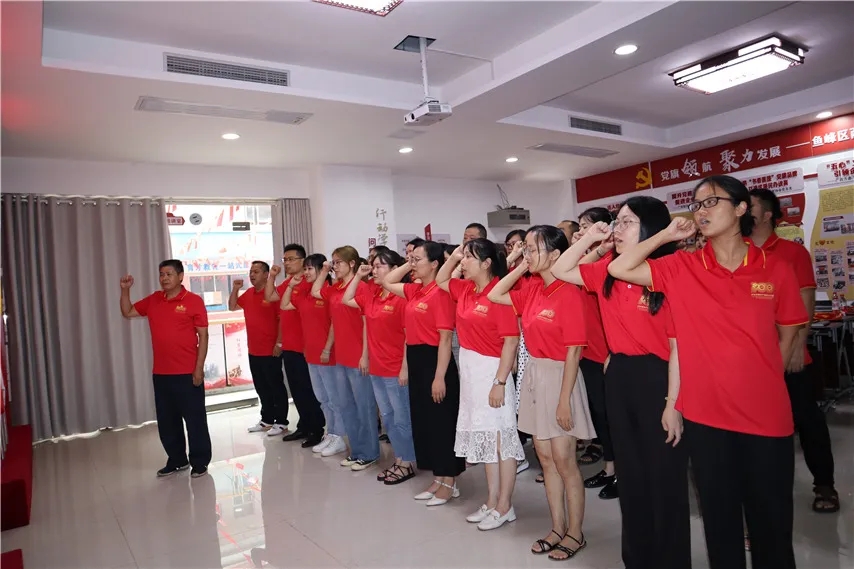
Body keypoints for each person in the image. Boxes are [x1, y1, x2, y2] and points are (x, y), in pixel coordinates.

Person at [608, 175, 808, 569]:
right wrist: (666, 234)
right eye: (697, 204)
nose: (701, 211)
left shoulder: (776, 267)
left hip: (766, 417)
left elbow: (789, 333)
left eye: (712, 202)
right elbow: (620, 266)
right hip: (707, 419)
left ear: (740, 208)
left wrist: (762, 377)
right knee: (720, 527)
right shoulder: (682, 267)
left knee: (771, 525)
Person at [552, 197, 691, 569]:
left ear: (651, 228)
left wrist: (673, 404)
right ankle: (638, 558)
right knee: (630, 475)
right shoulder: (607, 272)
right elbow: (562, 268)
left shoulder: (670, 271)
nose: (618, 228)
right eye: (617, 221)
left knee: (664, 476)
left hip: (662, 379)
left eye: (627, 222)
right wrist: (590, 238)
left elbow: (678, 347)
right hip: (621, 377)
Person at [488, 225, 595, 561]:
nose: (528, 254)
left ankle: (575, 533)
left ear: (556, 254)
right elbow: (495, 294)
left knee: (564, 460)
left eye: (534, 249)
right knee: (545, 458)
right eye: (526, 248)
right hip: (535, 376)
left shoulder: (570, 292)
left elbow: (574, 352)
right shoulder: (534, 288)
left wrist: (564, 401)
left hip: (561, 378)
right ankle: (557, 527)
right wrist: (522, 264)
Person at [749, 188, 838, 513]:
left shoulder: (791, 252)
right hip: (752, 358)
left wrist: (799, 343)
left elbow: (806, 299)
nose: (743, 210)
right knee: (759, 428)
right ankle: (764, 489)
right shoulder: (738, 252)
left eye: (751, 206)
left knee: (807, 420)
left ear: (768, 214)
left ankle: (824, 485)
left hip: (789, 353)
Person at [437, 239, 523, 530]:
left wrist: (500, 381)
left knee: (501, 442)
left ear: (486, 264)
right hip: (471, 372)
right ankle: (492, 500)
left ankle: (505, 505)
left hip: (492, 371)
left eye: (469, 258)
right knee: (486, 440)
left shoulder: (499, 293)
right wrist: (454, 257)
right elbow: (441, 280)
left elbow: (511, 341)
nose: (464, 262)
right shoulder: (465, 289)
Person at [383, 240, 465, 506]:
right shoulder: (415, 290)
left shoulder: (441, 293)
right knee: (426, 424)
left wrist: (440, 377)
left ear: (435, 264)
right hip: (417, 360)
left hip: (436, 362)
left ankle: (449, 481)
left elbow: (445, 339)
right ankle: (438, 478)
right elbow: (387, 281)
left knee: (442, 424)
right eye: (411, 258)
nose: (413, 263)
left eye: (418, 259)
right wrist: (409, 263)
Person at [120, 259, 212, 478]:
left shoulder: (193, 301)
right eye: (161, 274)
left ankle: (200, 461)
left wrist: (198, 368)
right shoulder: (154, 300)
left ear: (180, 276)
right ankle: (177, 459)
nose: (164, 278)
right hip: (161, 373)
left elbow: (203, 336)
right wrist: (125, 290)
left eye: (169, 274)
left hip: (187, 372)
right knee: (167, 421)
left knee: (195, 420)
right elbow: (128, 312)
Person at [343, 249, 417, 485]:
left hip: (395, 369)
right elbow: (347, 299)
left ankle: (407, 462)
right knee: (388, 418)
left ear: (395, 269)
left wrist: (405, 367)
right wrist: (359, 275)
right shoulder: (373, 294)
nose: (374, 271)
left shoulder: (402, 298)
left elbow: (408, 336)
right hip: (377, 368)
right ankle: (399, 459)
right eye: (373, 266)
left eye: (379, 266)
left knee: (402, 419)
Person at [312, 246, 379, 471]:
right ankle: (356, 451)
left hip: (358, 357)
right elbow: (316, 291)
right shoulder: (336, 288)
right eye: (333, 262)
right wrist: (324, 270)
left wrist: (365, 355)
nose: (335, 266)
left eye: (338, 262)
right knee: (346, 406)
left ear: (352, 264)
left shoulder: (362, 288)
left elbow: (367, 324)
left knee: (364, 408)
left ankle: (369, 453)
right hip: (341, 356)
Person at [274, 254, 346, 457]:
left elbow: (334, 324)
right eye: (304, 269)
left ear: (321, 270)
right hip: (311, 354)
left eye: (309, 269)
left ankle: (339, 436)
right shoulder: (305, 294)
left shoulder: (328, 292)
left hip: (327, 355)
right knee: (322, 399)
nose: (305, 272)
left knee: (334, 399)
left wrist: (327, 348)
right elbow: (284, 305)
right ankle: (330, 433)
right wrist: (290, 286)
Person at [570, 207, 618, 498]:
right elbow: (565, 269)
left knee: (613, 416)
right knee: (600, 414)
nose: (582, 231)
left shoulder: (612, 261)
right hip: (588, 351)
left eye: (587, 226)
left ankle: (621, 471)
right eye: (579, 227)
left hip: (608, 351)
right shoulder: (590, 258)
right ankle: (610, 468)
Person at [263, 245, 325, 447]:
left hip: (305, 347)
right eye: (285, 260)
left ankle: (316, 429)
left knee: (309, 391)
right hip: (290, 346)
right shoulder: (289, 283)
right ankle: (304, 425)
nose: (287, 263)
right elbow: (270, 296)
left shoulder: (310, 283)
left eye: (291, 259)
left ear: (302, 260)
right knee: (296, 391)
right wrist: (272, 276)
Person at [228, 261, 288, 437]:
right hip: (253, 349)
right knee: (261, 386)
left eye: (256, 271)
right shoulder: (248, 293)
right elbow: (232, 306)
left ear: (266, 274)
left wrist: (279, 343)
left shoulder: (273, 294)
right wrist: (235, 289)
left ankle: (281, 421)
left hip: (271, 349)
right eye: (251, 272)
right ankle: (267, 419)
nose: (252, 275)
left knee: (275, 386)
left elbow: (282, 320)